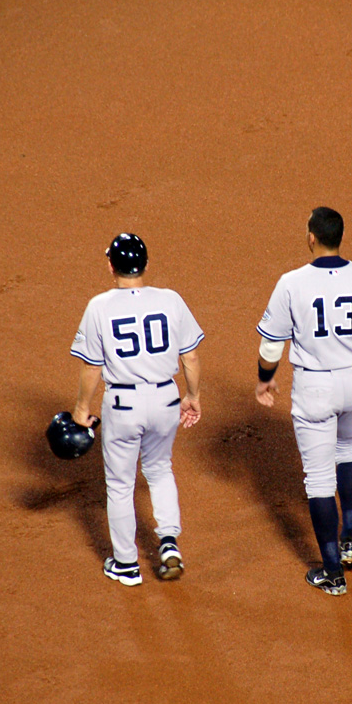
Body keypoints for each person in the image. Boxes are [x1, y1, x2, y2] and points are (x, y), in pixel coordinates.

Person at [254, 207, 352, 595]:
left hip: (315, 388)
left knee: (319, 479)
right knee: (350, 448)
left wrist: (264, 381)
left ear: (311, 238)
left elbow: (271, 345)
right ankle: (350, 533)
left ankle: (332, 571)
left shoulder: (291, 283)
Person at [68, 233, 204, 587]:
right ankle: (169, 544)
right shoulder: (171, 300)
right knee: (159, 469)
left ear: (111, 265)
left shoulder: (99, 306)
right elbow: (189, 356)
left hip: (123, 405)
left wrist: (81, 408)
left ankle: (127, 564)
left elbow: (91, 367)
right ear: (145, 264)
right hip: (165, 400)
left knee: (120, 484)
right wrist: (193, 396)